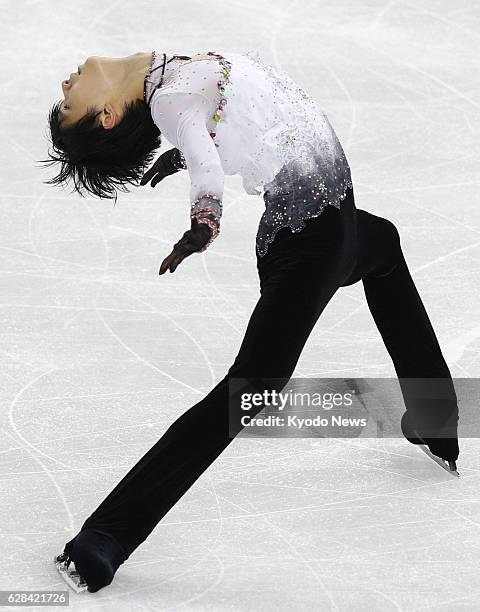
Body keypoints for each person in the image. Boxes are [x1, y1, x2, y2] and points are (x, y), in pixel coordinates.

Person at [40, 49, 460, 593]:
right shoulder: (170, 100)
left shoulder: (166, 78)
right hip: (309, 237)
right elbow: (206, 157)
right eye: (69, 103)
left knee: (382, 245)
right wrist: (202, 221)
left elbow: (238, 116)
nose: (65, 83)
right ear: (106, 116)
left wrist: (180, 156)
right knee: (252, 387)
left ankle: (436, 417)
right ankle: (105, 539)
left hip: (331, 219)